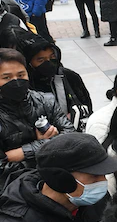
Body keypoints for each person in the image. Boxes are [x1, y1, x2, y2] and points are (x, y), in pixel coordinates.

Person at [0, 48, 74, 187]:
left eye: (21, 75)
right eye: (7, 78)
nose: (16, 81)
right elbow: (3, 170)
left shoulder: (45, 100)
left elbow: (70, 136)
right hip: (14, 190)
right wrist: (50, 147)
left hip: (57, 179)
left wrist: (24, 152)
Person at [17, 32, 92, 129]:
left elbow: (86, 103)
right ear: (29, 63)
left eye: (52, 57)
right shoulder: (25, 85)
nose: (48, 62)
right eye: (41, 60)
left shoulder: (69, 76)